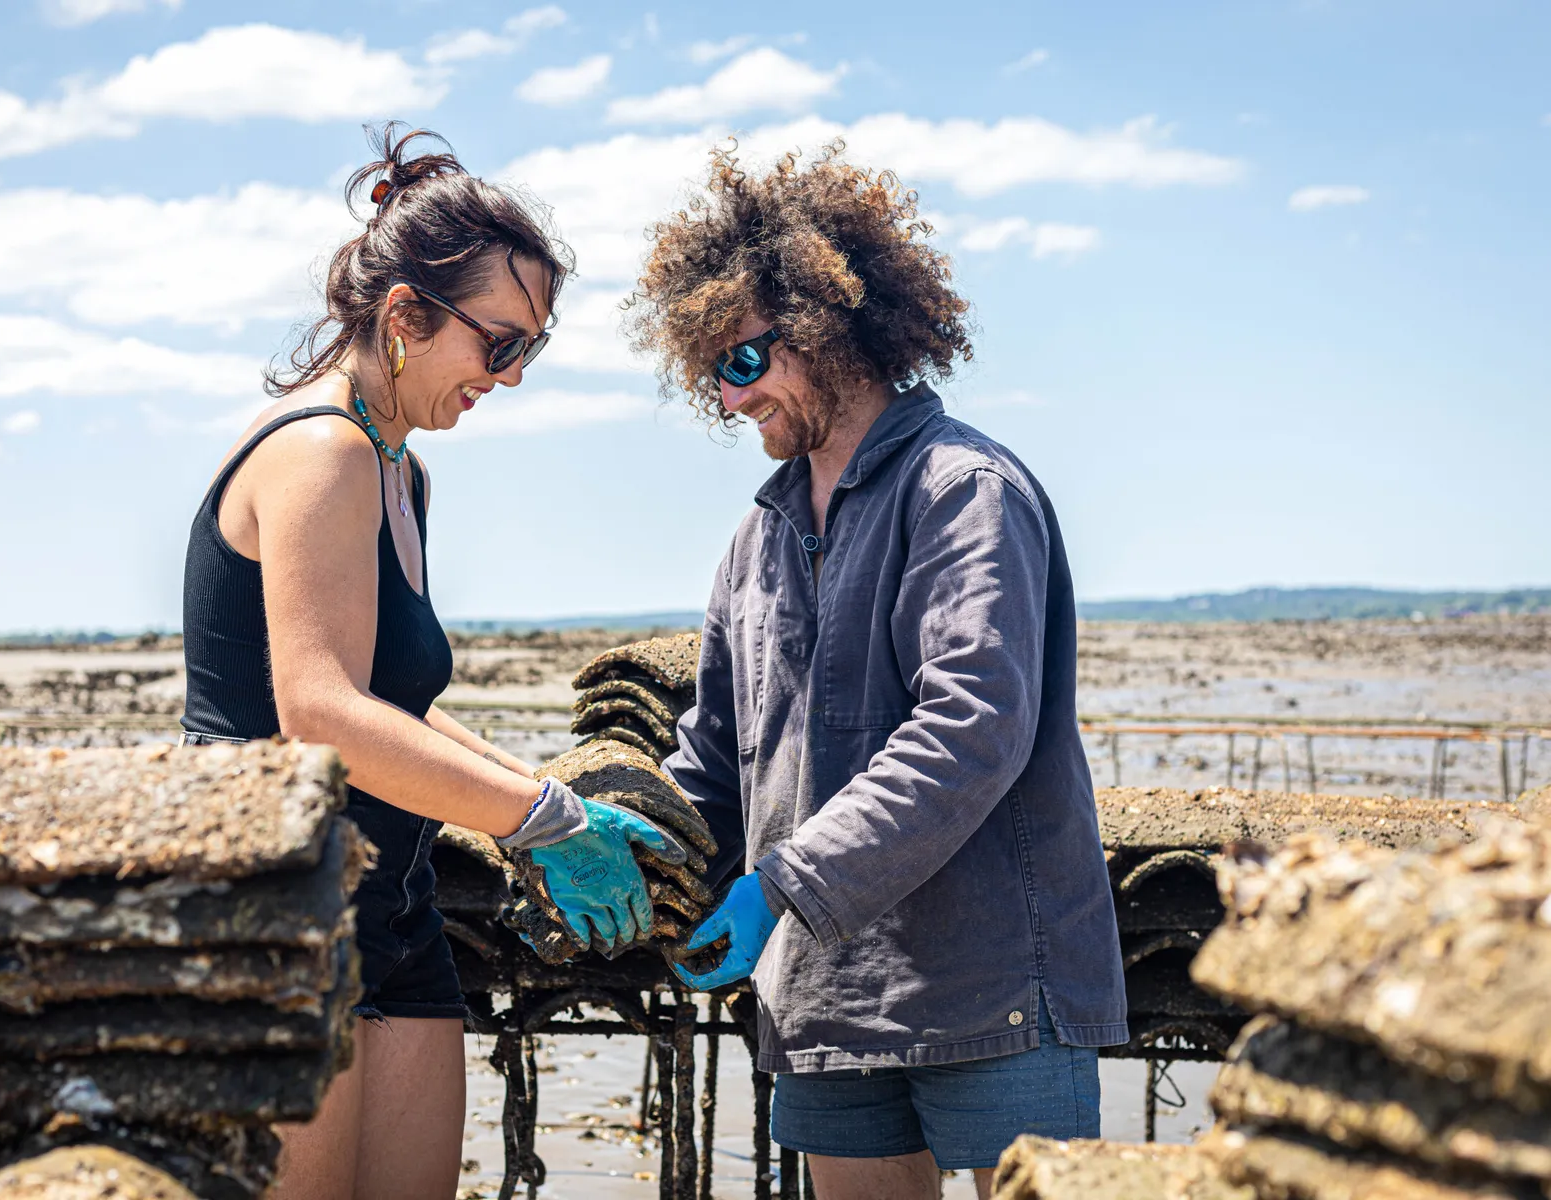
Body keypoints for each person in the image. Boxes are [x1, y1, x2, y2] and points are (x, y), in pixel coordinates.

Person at [179, 125, 684, 1200]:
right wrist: (534, 817)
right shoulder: (324, 452)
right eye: (497, 344)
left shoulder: (401, 470)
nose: (507, 377)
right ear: (406, 316)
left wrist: (542, 801)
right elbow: (318, 714)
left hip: (392, 911)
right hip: (284, 915)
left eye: (529, 352)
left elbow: (392, 703)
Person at [626, 144, 1128, 1200]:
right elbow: (716, 755)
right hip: (822, 999)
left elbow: (972, 729)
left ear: (826, 327)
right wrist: (647, 851)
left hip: (993, 981)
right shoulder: (752, 542)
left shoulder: (964, 494)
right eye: (710, 374)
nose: (727, 401)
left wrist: (787, 887)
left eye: (744, 364)